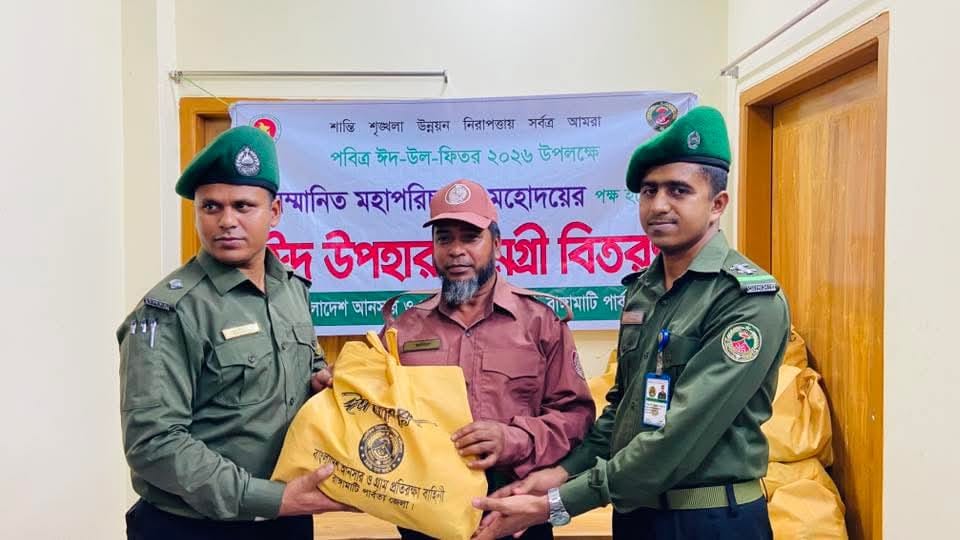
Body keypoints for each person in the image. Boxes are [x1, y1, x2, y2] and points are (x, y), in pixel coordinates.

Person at [473, 106, 791, 540]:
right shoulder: (644, 290)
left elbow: (679, 435)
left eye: (679, 190)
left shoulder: (745, 300)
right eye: (648, 191)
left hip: (710, 521)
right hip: (636, 516)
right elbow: (623, 410)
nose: (658, 205)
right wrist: (561, 472)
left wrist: (555, 505)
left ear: (717, 204)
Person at [118, 126, 348, 540]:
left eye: (243, 206)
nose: (227, 221)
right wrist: (269, 499)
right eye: (211, 207)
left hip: (287, 516)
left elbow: (307, 369)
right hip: (192, 526)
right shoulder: (170, 311)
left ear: (274, 212)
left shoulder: (290, 290)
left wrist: (322, 381)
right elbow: (153, 443)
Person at [383, 179, 596, 540]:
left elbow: (577, 417)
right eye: (444, 239)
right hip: (424, 517)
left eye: (470, 238)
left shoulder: (540, 322)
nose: (456, 251)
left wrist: (515, 438)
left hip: (514, 511)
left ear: (496, 244)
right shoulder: (403, 329)